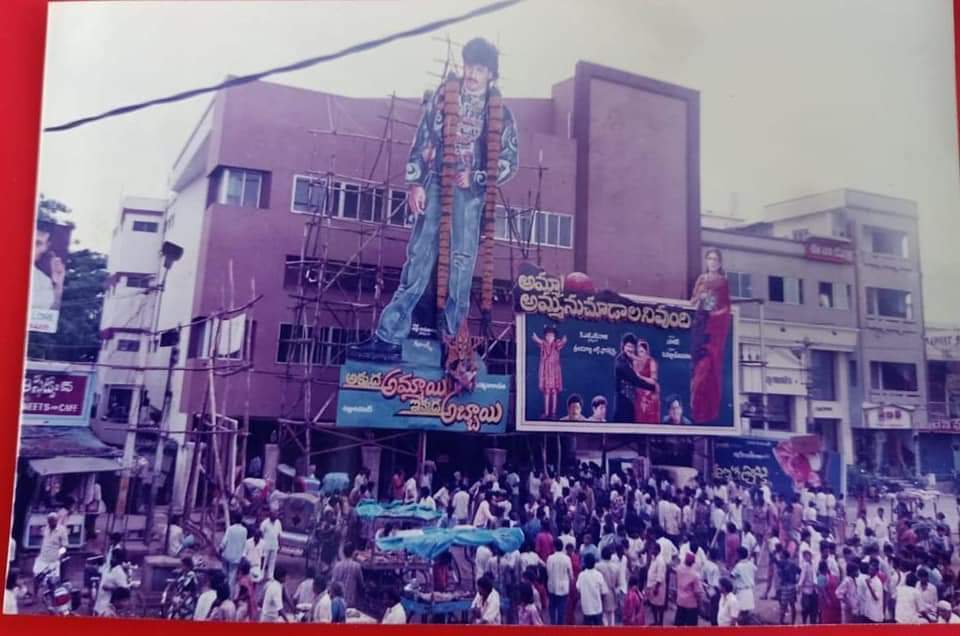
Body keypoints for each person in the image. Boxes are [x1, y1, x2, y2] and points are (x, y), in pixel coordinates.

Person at [348, 38, 519, 362]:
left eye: (479, 69)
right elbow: (423, 139)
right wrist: (415, 184)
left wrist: (478, 177)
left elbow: (510, 161)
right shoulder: (444, 97)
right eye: (468, 66)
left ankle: (454, 345)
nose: (471, 74)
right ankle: (389, 337)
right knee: (418, 259)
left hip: (469, 198)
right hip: (436, 184)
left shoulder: (501, 114)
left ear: (491, 75)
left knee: (460, 265)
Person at [689, 248, 731, 423]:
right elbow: (693, 300)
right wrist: (700, 298)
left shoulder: (722, 282)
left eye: (715, 259)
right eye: (709, 259)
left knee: (707, 368)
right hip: (699, 323)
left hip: (712, 328)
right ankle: (695, 408)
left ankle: (706, 411)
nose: (712, 262)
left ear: (719, 263)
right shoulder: (701, 279)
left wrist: (708, 304)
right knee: (695, 365)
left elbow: (722, 306)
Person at [612, 334, 656, 423]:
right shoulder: (621, 362)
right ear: (623, 346)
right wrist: (653, 387)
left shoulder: (631, 359)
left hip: (633, 403)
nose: (630, 349)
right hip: (623, 403)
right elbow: (635, 380)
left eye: (632, 347)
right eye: (628, 346)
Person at [532, 326, 567, 419]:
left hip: (555, 370)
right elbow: (537, 341)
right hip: (546, 370)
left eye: (551, 335)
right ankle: (547, 412)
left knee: (554, 391)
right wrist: (535, 338)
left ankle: (554, 412)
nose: (549, 337)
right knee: (547, 391)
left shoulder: (556, 344)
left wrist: (564, 339)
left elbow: (563, 342)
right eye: (548, 335)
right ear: (545, 336)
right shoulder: (543, 344)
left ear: (554, 336)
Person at [32, 225, 65, 311]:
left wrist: (59, 283)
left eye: (37, 243)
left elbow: (50, 314)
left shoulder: (44, 281)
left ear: (45, 247)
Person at [626, 339, 660, 423]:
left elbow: (653, 381)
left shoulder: (651, 362)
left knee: (651, 419)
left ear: (646, 352)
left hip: (651, 394)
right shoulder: (635, 362)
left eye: (642, 351)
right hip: (639, 395)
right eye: (638, 352)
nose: (640, 354)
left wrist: (640, 377)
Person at [575, 553, 607, 626]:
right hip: (597, 607)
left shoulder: (581, 575)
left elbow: (578, 589)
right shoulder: (598, 575)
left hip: (586, 608)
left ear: (585, 563)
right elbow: (603, 591)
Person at [330, 542, 364, 609]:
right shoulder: (356, 566)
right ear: (353, 553)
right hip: (350, 601)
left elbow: (333, 583)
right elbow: (361, 584)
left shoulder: (337, 565)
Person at [546, 538, 572, 625]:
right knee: (562, 608)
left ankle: (553, 624)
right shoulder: (567, 558)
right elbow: (570, 574)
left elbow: (548, 571)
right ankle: (560, 626)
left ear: (554, 547)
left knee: (552, 607)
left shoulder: (550, 558)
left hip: (552, 585)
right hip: (563, 587)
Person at [220, 513, 247, 593]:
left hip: (226, 555)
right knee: (232, 577)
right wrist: (243, 556)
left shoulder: (230, 529)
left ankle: (222, 591)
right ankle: (229, 594)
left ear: (234, 520)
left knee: (224, 574)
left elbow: (224, 541)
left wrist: (220, 549)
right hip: (236, 558)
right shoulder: (244, 531)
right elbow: (244, 544)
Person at [675, 551, 702, 626]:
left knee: (679, 625)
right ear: (693, 562)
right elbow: (697, 592)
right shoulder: (695, 575)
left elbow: (676, 581)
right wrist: (700, 604)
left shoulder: (679, 569)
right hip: (691, 604)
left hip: (680, 601)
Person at [731, 546, 757, 622]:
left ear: (739, 555)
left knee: (740, 613)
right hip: (749, 591)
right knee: (746, 613)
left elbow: (732, 576)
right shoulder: (750, 564)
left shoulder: (738, 566)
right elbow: (755, 569)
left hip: (742, 592)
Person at [645, 542, 667, 625]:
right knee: (653, 604)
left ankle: (660, 622)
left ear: (657, 550)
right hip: (651, 585)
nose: (651, 550)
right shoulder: (654, 558)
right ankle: (656, 621)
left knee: (659, 606)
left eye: (653, 549)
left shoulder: (660, 561)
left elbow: (660, 576)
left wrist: (656, 588)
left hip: (658, 587)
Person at [259, 507, 282, 582]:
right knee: (263, 562)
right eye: (273, 515)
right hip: (266, 545)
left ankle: (270, 576)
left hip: (274, 545)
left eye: (276, 515)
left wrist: (280, 544)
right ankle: (261, 575)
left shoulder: (278, 522)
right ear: (270, 515)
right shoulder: (265, 523)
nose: (275, 516)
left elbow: (279, 534)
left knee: (272, 561)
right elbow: (261, 534)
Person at [799, 548, 818, 624]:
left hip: (813, 589)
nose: (808, 556)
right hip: (807, 589)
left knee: (812, 608)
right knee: (806, 608)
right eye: (806, 555)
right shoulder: (805, 565)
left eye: (808, 555)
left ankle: (811, 623)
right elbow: (802, 577)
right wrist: (799, 586)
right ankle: (804, 622)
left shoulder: (813, 564)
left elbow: (814, 575)